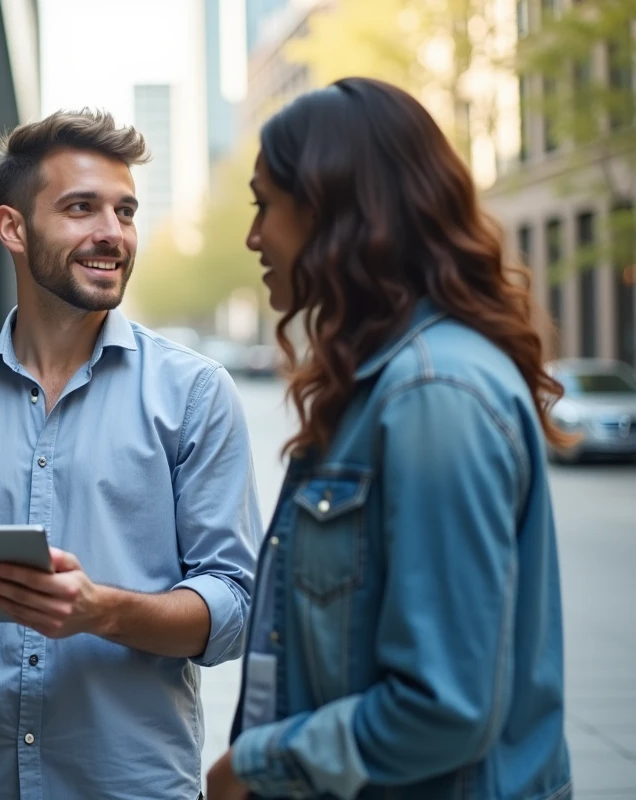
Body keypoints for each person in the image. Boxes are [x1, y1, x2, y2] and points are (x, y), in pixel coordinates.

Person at [0, 109, 264, 799]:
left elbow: (234, 608)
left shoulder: (195, 394)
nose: (112, 232)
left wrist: (99, 610)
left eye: (126, 211)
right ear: (13, 227)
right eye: (82, 208)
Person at [205, 77, 573, 799]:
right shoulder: (385, 384)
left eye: (264, 205)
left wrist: (255, 766)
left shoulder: (435, 396)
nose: (253, 236)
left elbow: (445, 707)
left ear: (333, 209)